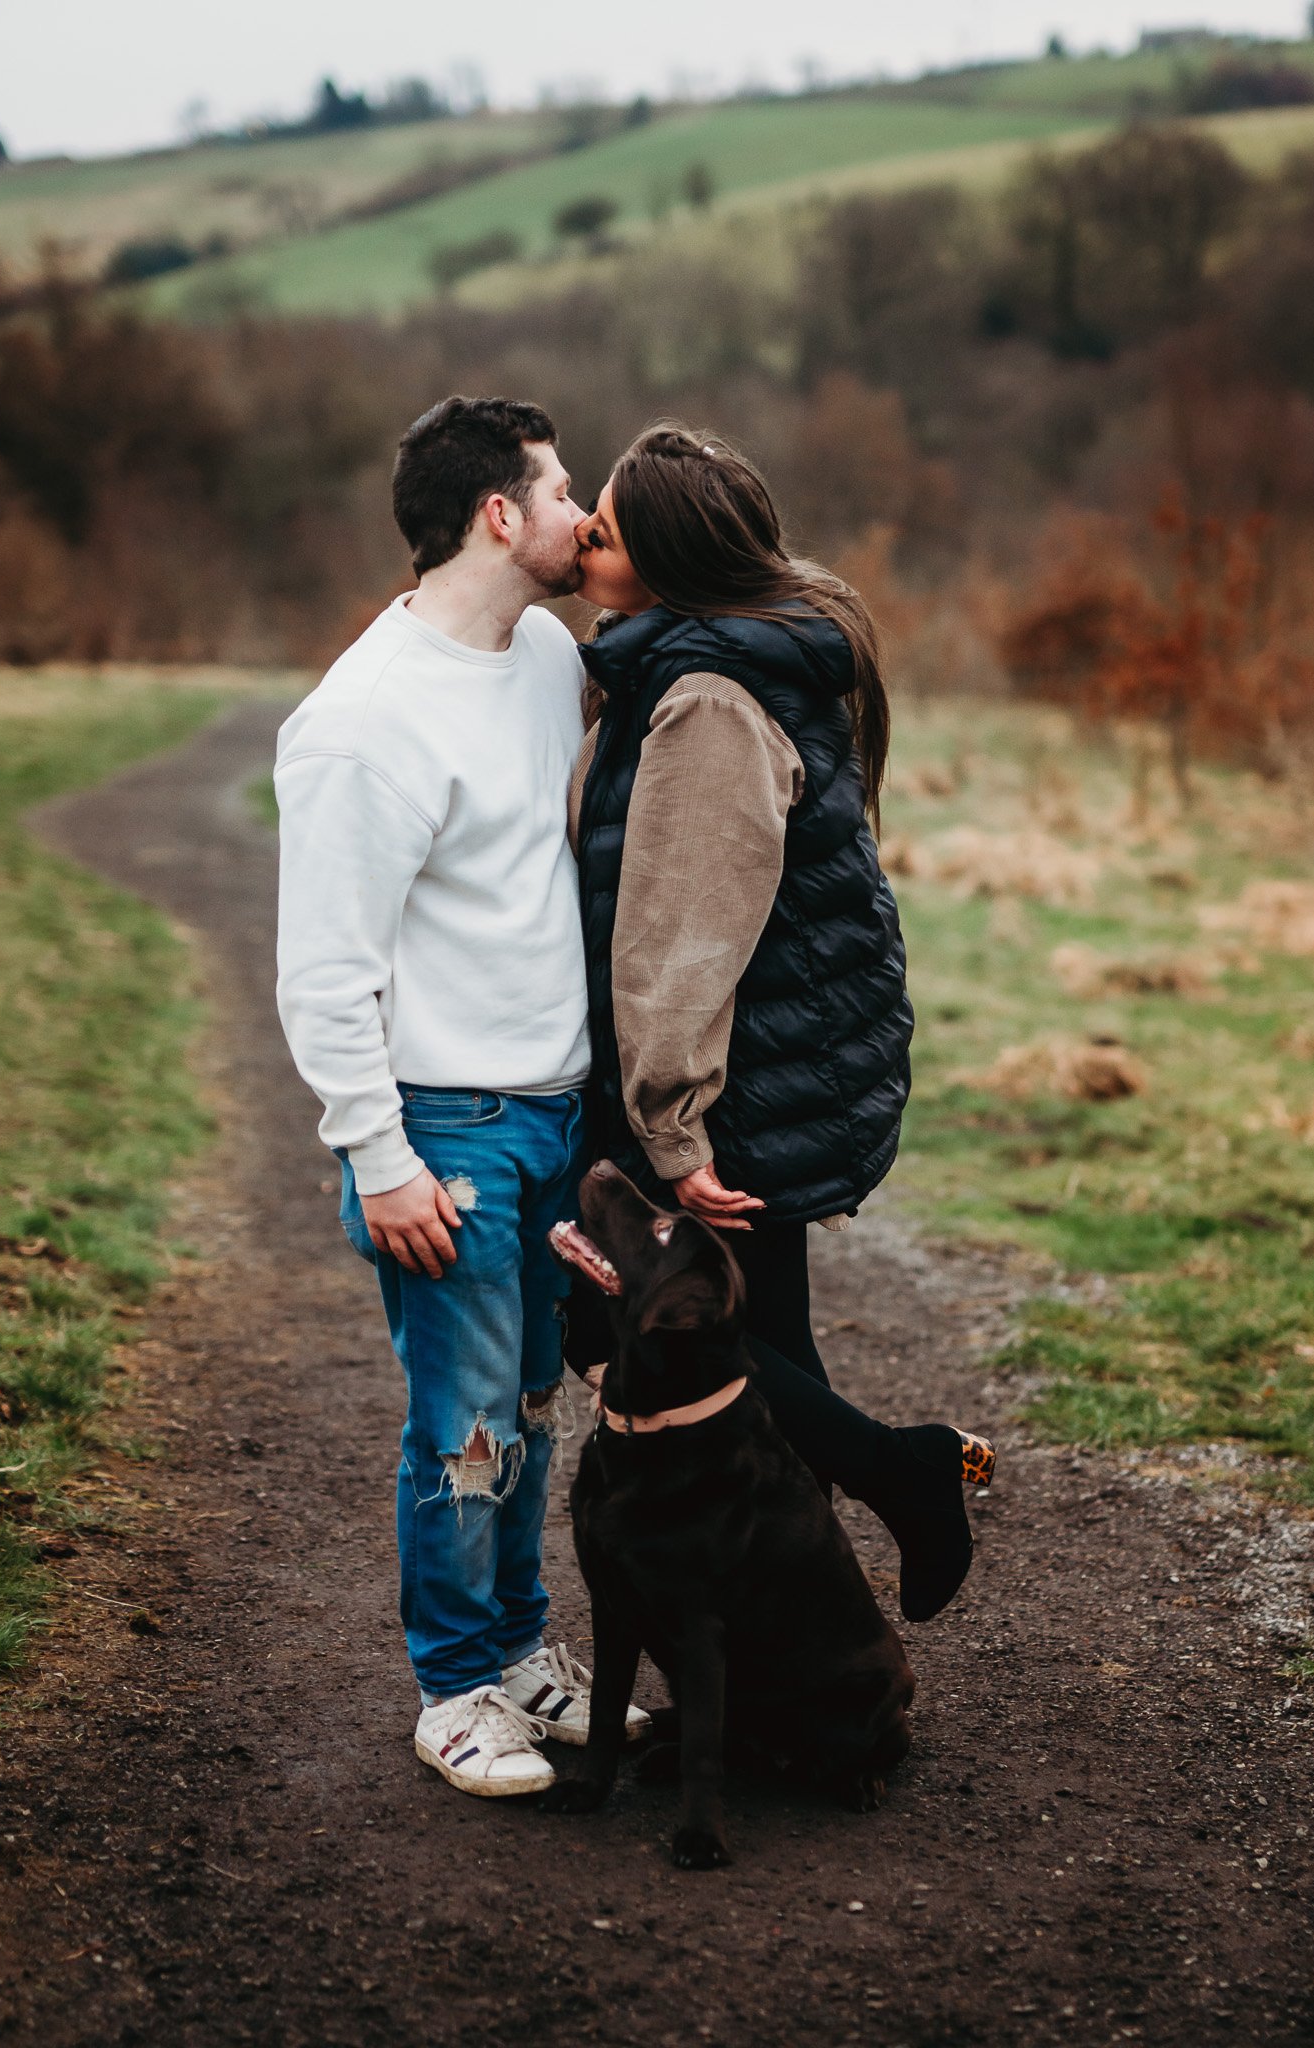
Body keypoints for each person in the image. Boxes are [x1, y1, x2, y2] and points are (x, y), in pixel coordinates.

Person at [274, 396, 647, 1802]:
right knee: (462, 1419)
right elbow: (322, 970)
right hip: (449, 1131)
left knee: (532, 1404)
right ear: (500, 512)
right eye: (561, 493)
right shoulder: (362, 720)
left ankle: (519, 1650)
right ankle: (451, 1691)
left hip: (555, 1117)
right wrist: (377, 1158)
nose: (582, 516)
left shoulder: (545, 651)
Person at [565, 422, 996, 1623]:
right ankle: (795, 1658)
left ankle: (898, 1474)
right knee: (769, 1355)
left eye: (603, 523)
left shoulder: (705, 696)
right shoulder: (713, 661)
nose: (583, 537)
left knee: (627, 1325)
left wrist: (672, 1127)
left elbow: (681, 936)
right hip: (779, 1064)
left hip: (737, 1086)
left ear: (662, 556)